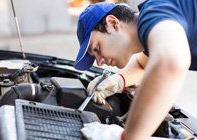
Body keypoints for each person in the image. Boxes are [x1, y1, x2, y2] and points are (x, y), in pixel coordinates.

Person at [74, 0, 197, 140]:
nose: (100, 62)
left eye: (96, 48)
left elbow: (170, 62)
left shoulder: (153, 13)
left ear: (113, 24)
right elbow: (142, 65)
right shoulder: (153, 31)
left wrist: (129, 136)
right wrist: (118, 81)